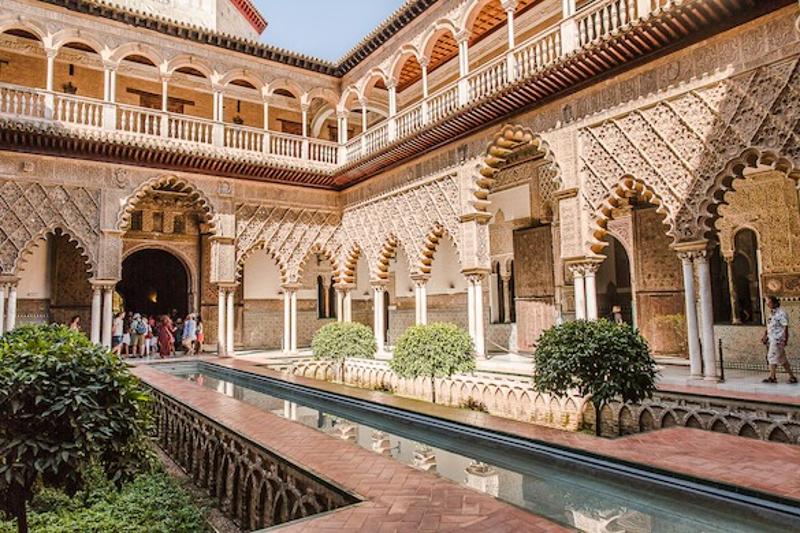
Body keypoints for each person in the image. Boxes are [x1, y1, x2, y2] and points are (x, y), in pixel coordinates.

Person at [762, 296, 798, 384]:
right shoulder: (772, 313)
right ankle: (792, 377)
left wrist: (786, 339)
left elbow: (785, 327)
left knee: (771, 357)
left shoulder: (781, 313)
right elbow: (770, 326)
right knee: (782, 359)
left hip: (778, 339)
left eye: (769, 302)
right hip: (772, 338)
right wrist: (765, 335)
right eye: (767, 302)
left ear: (774, 303)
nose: (767, 304)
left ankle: (772, 377)